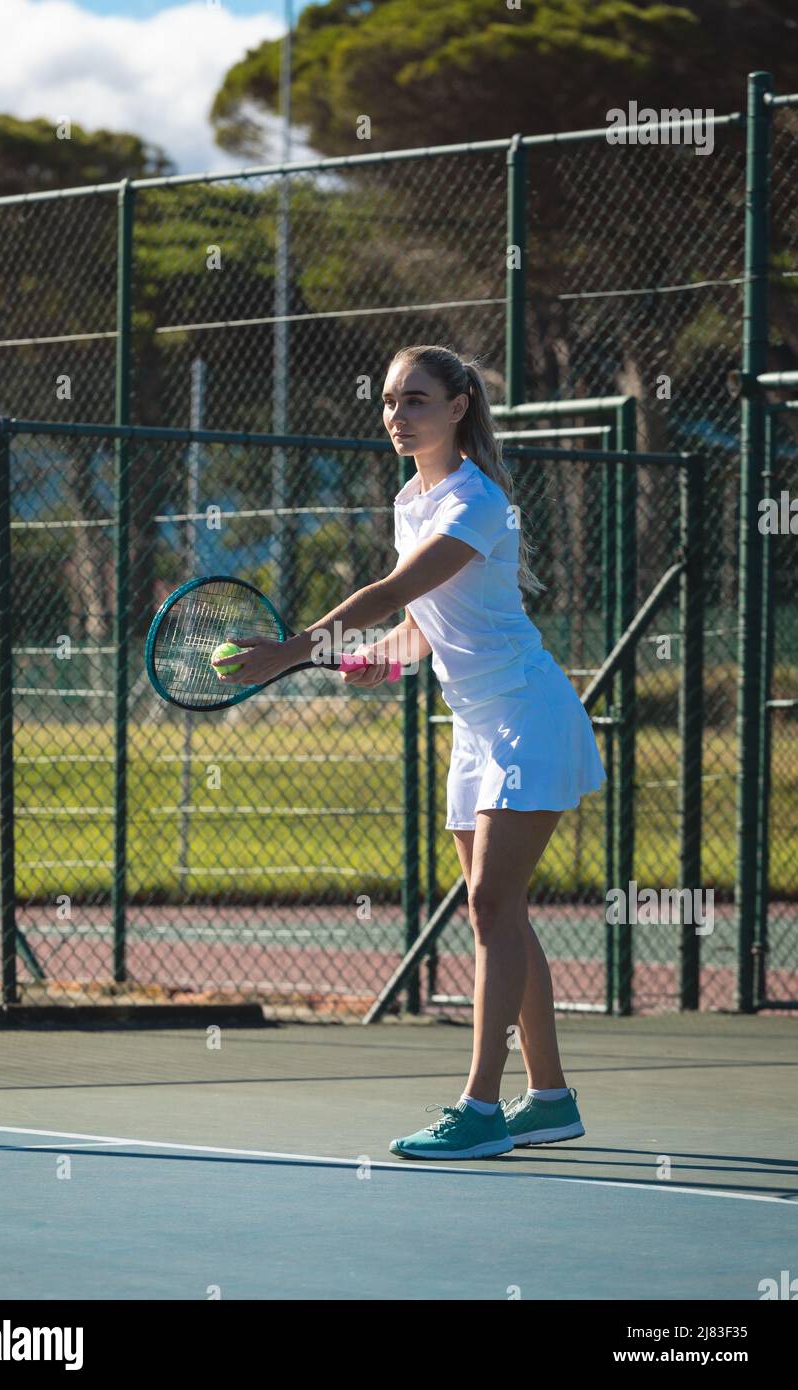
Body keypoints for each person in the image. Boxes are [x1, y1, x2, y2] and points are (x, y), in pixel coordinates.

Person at [213, 343, 606, 1160]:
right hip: (474, 726)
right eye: (390, 402)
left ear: (458, 407)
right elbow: (414, 630)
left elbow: (391, 591)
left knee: (493, 909)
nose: (397, 415)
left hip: (529, 714)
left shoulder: (479, 502)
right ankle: (553, 1098)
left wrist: (289, 649)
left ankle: (480, 1109)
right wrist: (363, 662)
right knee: (498, 909)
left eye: (416, 401)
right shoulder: (411, 500)